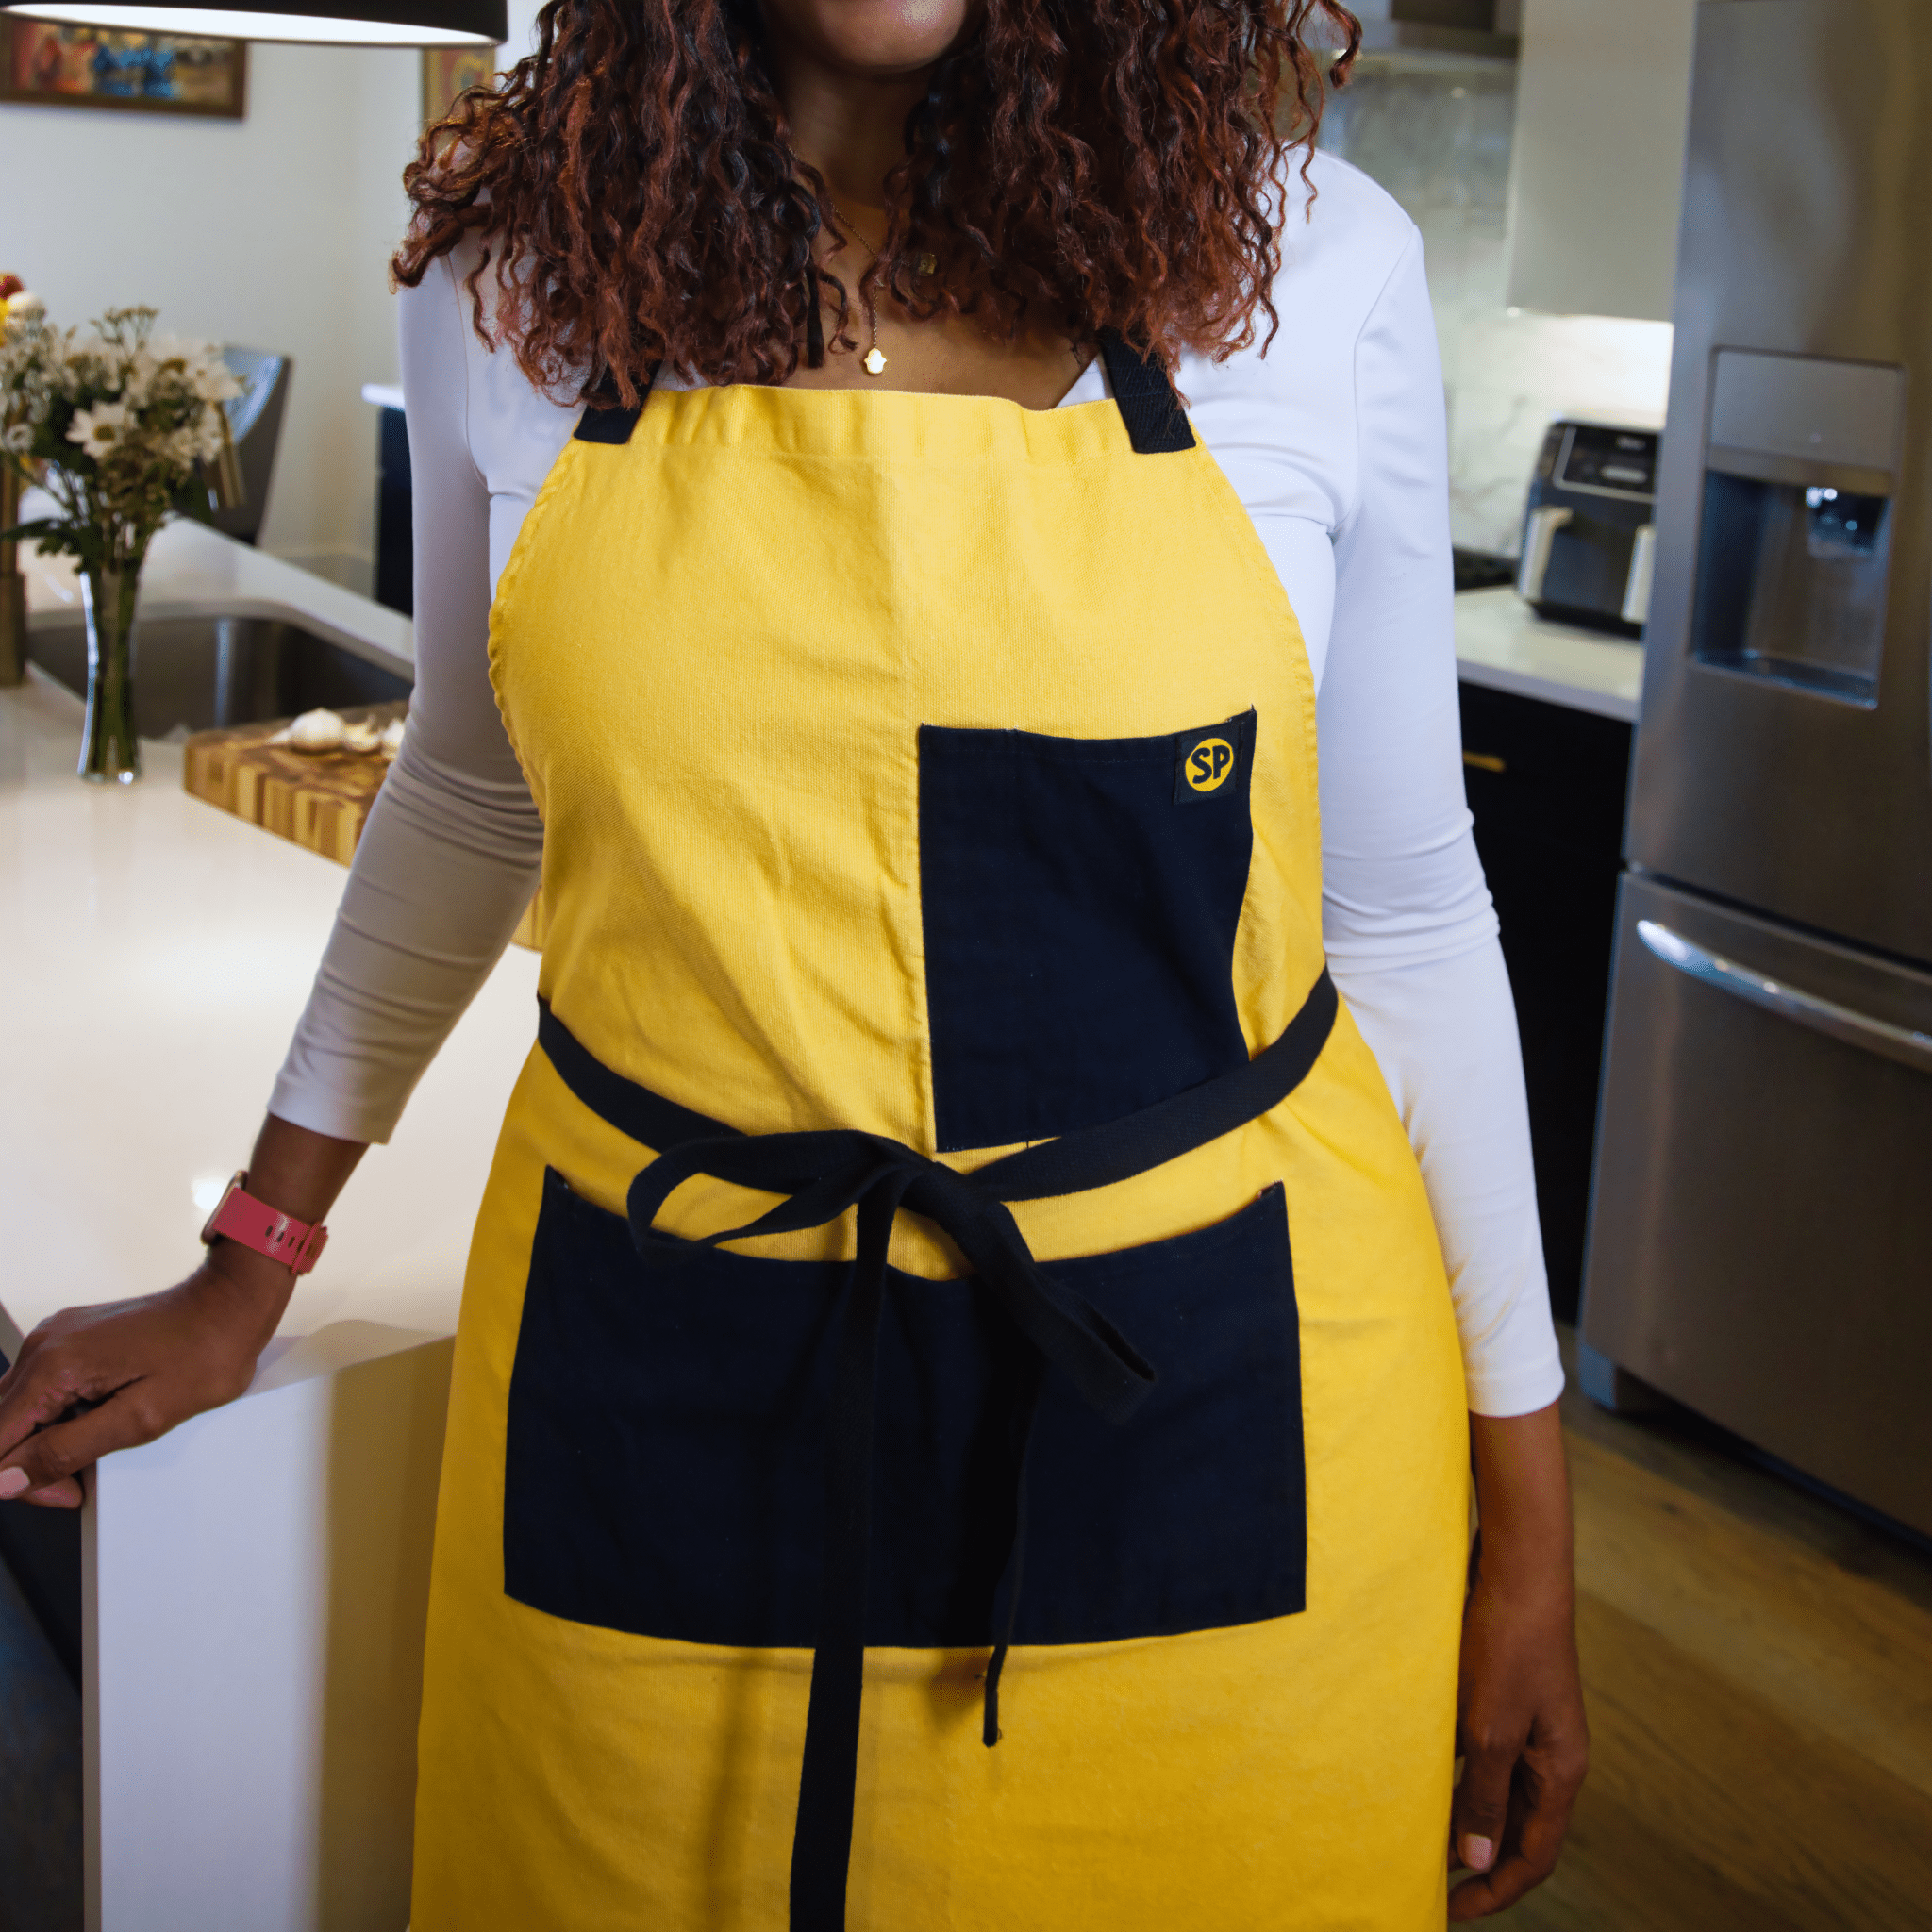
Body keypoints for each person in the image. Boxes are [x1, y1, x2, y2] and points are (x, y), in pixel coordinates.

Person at [0, 2, 1590, 1924]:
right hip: (657, 1373)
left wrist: (1529, 1542)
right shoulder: (523, 279)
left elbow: (1406, 916)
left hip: (1200, 1389)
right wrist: (247, 1262)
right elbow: (468, 799)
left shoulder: (1310, 263)